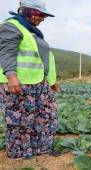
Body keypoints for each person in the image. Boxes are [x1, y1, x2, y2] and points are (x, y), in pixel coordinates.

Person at [0, 0, 60, 159]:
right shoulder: (11, 26)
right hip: (19, 81)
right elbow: (6, 52)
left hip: (39, 82)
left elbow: (44, 58)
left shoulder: (33, 32)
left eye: (44, 15)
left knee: (46, 114)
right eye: (40, 14)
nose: (43, 18)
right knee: (19, 118)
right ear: (27, 11)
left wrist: (51, 80)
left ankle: (42, 148)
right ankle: (20, 153)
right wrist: (11, 76)